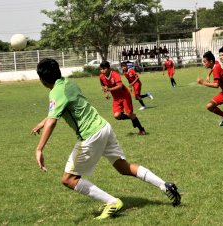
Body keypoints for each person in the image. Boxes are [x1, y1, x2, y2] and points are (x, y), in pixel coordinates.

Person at [31, 58, 181, 220]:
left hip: (90, 135)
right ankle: (164, 185)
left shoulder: (55, 92)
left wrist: (39, 148)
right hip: (104, 127)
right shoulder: (68, 83)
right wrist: (42, 123)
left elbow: (53, 120)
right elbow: (57, 112)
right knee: (124, 167)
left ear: (43, 80)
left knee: (68, 179)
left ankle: (112, 202)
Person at [99, 61, 146, 135]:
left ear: (109, 68)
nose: (102, 71)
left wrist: (109, 89)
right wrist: (105, 93)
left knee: (129, 113)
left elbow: (120, 86)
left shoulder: (115, 74)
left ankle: (141, 130)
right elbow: (102, 84)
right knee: (116, 116)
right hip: (116, 98)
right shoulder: (101, 76)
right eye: (101, 69)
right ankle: (132, 117)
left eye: (104, 69)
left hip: (125, 96)